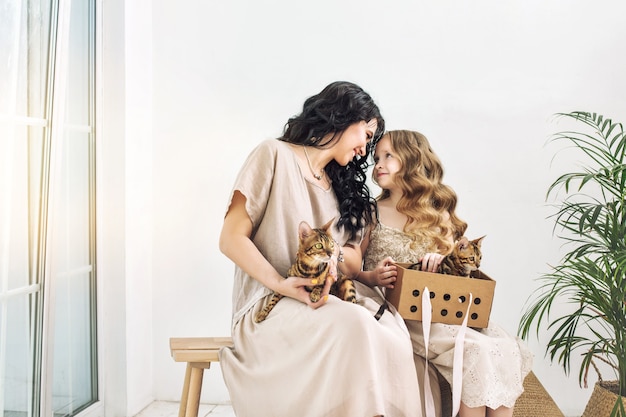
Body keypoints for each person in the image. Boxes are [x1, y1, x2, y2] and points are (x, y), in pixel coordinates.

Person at [218, 82, 422, 417]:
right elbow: (230, 238)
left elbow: (352, 262)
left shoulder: (343, 189)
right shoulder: (273, 155)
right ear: (344, 116)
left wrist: (333, 256)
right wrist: (281, 283)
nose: (365, 150)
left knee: (393, 333)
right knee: (354, 324)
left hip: (327, 299)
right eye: (366, 136)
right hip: (269, 306)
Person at [355, 130, 533, 417]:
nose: (378, 163)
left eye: (389, 156)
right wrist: (373, 276)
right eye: (376, 157)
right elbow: (354, 269)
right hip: (400, 309)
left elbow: (459, 273)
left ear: (413, 159)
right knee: (473, 351)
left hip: (444, 309)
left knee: (504, 348)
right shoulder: (371, 212)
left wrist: (444, 258)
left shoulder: (440, 213)